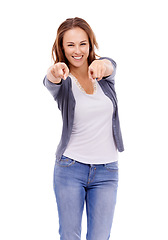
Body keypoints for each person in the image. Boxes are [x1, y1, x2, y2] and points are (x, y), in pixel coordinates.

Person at [43, 17, 124, 240]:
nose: (77, 50)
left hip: (107, 171)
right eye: (70, 45)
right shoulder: (63, 80)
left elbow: (110, 66)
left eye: (82, 44)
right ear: (61, 47)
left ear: (90, 44)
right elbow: (50, 81)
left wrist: (101, 65)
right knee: (69, 236)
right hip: (70, 168)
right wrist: (55, 71)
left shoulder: (104, 75)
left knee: (100, 236)